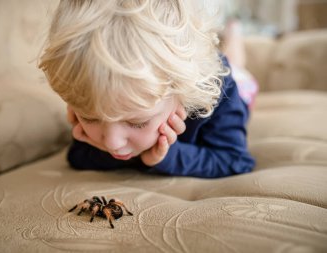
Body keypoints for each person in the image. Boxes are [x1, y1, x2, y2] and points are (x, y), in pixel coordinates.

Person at [38, 0, 255, 178]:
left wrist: (166, 155)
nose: (112, 142)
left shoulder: (218, 92)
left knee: (237, 65)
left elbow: (234, 160)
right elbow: (78, 157)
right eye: (90, 118)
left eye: (136, 122)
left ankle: (234, 32)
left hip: (235, 83)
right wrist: (134, 153)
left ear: (181, 92)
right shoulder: (99, 93)